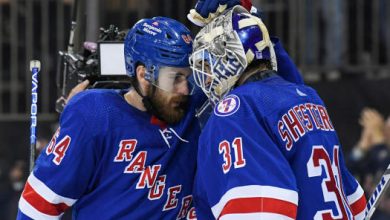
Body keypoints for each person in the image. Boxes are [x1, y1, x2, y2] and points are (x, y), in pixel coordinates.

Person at [190, 6, 367, 219]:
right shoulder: (307, 96)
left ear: (232, 57)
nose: (206, 79)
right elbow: (355, 205)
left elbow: (262, 212)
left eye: (209, 65)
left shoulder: (236, 110)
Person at [17, 16, 203, 219]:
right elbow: (36, 208)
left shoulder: (194, 108)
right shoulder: (94, 114)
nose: (185, 89)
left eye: (187, 76)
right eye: (175, 78)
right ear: (143, 74)